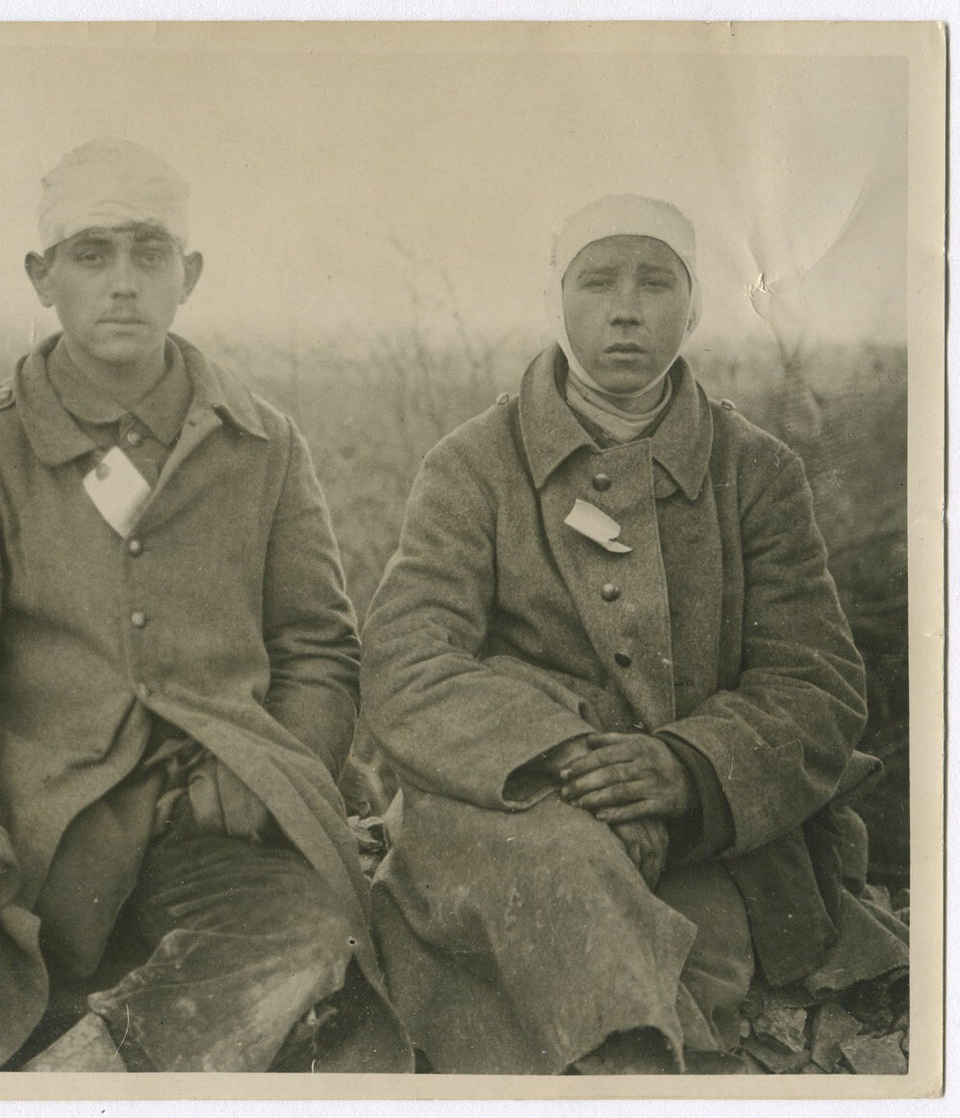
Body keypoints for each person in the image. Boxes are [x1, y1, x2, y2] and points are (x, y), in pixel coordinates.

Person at [0, 139, 409, 1073]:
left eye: (149, 253)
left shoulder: (263, 445)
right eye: (91, 254)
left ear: (188, 275)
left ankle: (92, 1077)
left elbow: (319, 647)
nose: (122, 282)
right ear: (43, 278)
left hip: (207, 824)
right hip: (31, 827)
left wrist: (268, 775)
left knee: (307, 935)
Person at [359, 196, 907, 1074]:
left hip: (712, 827)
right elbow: (405, 661)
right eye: (595, 281)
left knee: (702, 954)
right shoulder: (470, 465)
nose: (625, 307)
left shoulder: (756, 471)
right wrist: (567, 757)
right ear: (556, 301)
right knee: (557, 912)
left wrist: (684, 770)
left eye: (655, 283)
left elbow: (817, 686)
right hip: (520, 805)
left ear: (692, 309)